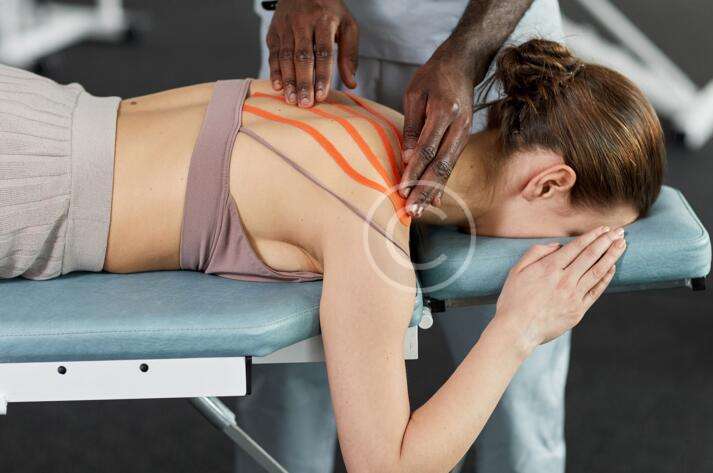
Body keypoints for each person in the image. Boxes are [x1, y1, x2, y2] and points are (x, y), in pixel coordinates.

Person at [0, 38, 663, 471]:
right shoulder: (371, 227)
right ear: (548, 183)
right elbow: (386, 466)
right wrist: (516, 330)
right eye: (576, 237)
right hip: (26, 193)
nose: (564, 253)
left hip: (35, 109)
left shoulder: (370, 116)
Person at [248, 1, 572, 471]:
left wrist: (466, 53)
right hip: (322, 51)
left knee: (517, 393)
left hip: (497, 62)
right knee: (293, 370)